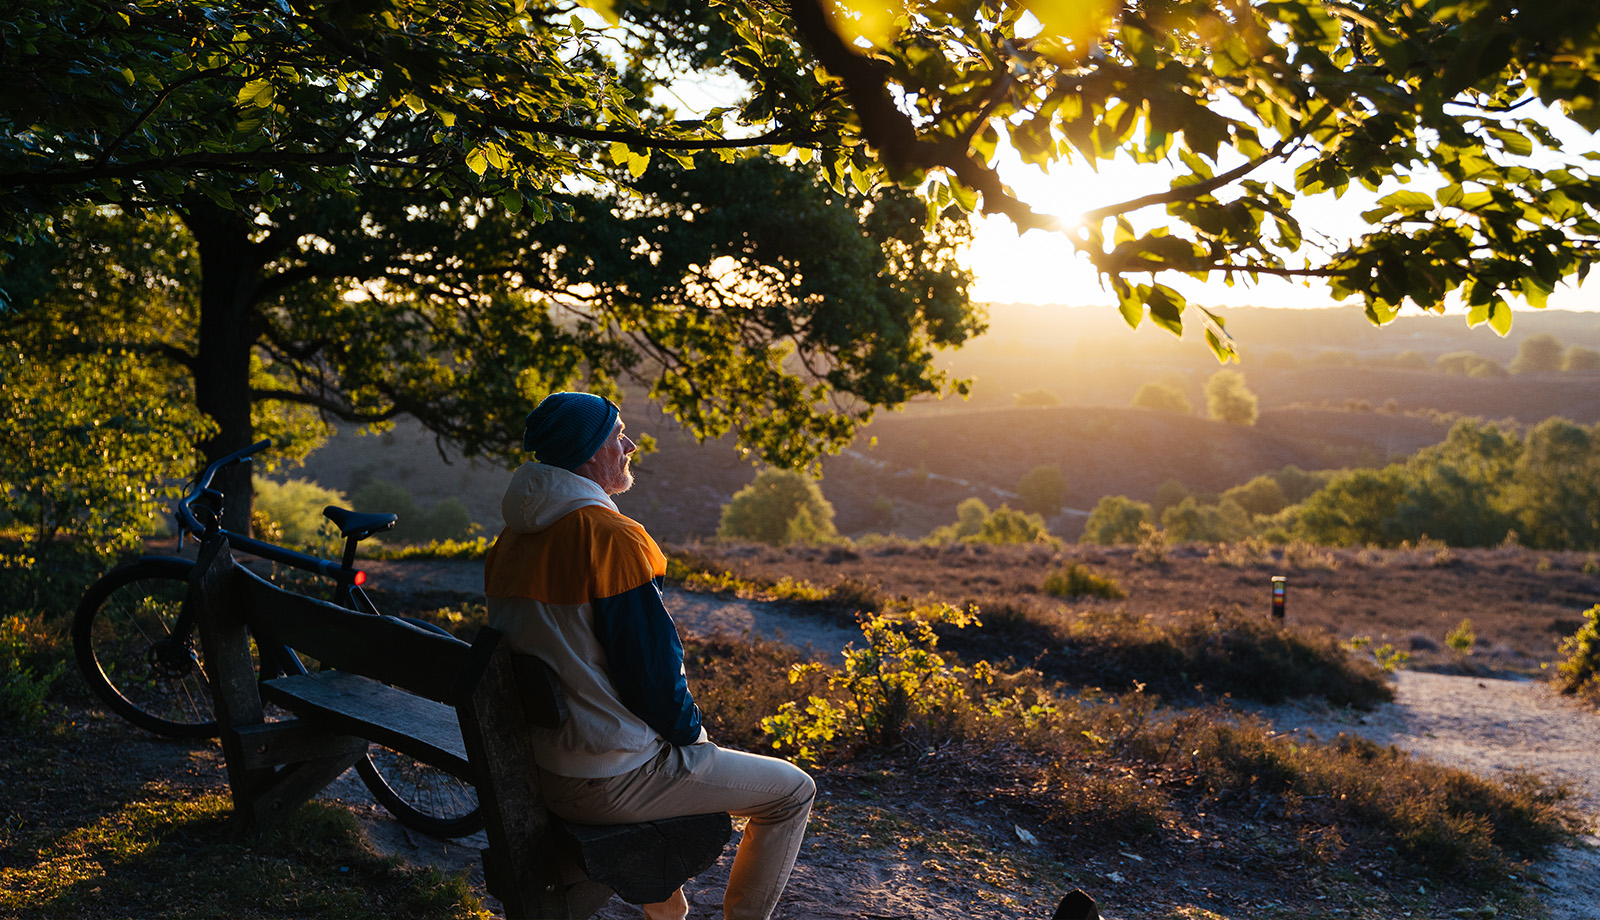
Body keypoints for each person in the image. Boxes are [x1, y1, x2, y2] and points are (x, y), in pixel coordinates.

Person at [484, 391, 814, 920]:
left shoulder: (509, 541)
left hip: (538, 767)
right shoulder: (609, 537)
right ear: (590, 451)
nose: (630, 445)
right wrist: (694, 742)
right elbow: (652, 676)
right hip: (606, 777)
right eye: (618, 436)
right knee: (793, 791)